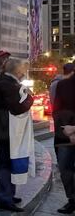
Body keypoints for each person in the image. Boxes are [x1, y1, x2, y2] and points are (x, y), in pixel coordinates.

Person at [0, 58, 34, 212]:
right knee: (6, 165)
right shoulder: (7, 85)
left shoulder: (2, 83)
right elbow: (17, 108)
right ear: (17, 71)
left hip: (3, 130)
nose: (23, 72)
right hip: (7, 132)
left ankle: (9, 194)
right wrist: (29, 98)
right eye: (22, 69)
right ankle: (5, 198)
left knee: (8, 163)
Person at [53, 66, 75, 214]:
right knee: (64, 168)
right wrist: (67, 130)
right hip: (65, 135)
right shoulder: (63, 85)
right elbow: (56, 110)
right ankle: (72, 200)